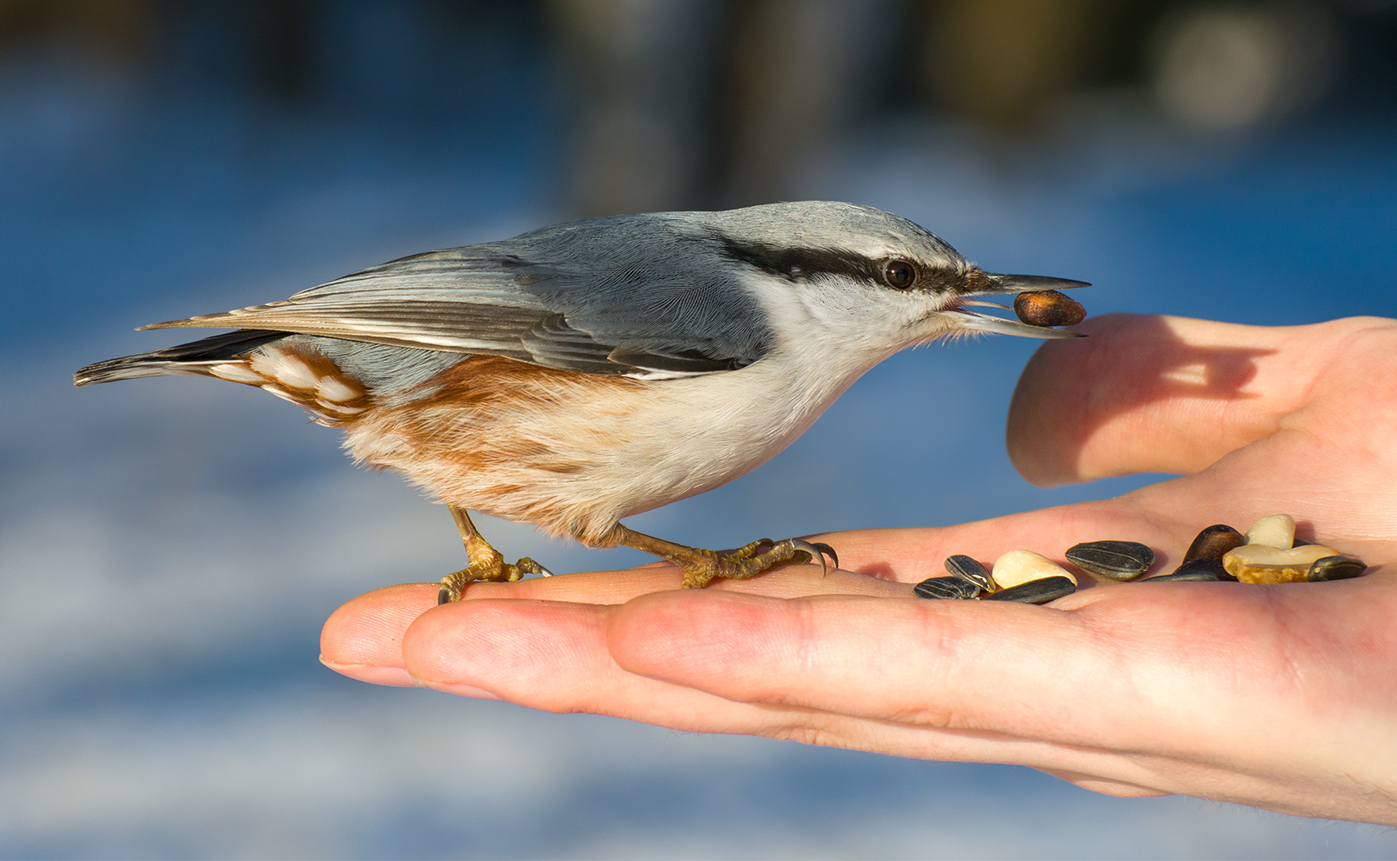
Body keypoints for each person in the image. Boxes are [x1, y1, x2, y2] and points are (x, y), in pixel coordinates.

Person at [319, 314, 1397, 826]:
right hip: (409, 367)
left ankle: (486, 542)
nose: (942, 303)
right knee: (604, 525)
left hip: (434, 415)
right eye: (893, 281)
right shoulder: (716, 316)